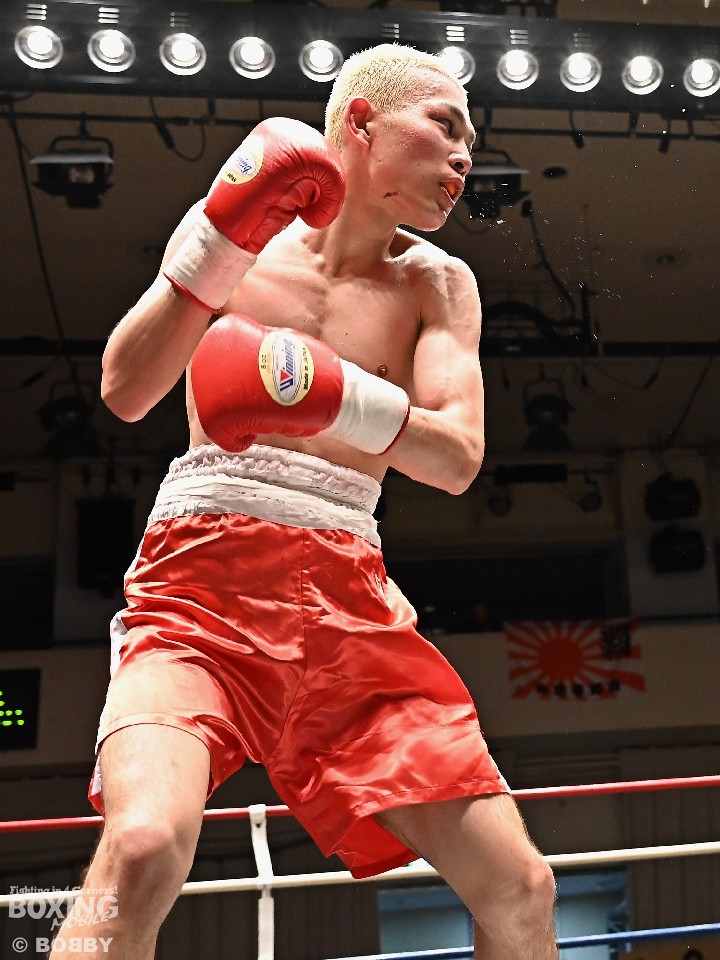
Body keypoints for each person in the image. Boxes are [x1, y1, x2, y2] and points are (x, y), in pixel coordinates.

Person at [50, 44, 557, 960]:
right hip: (199, 589)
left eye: (471, 143)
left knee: (520, 890)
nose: (464, 158)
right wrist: (215, 243)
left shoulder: (438, 283)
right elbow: (125, 389)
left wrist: (337, 397)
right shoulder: (238, 240)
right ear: (361, 120)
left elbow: (458, 459)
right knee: (142, 847)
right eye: (445, 126)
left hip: (348, 601)